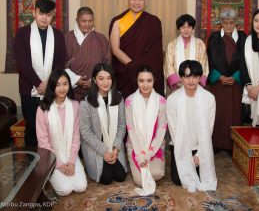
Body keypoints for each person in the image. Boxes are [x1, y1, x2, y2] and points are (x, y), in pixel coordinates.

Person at [14, 0, 66, 147]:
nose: (44, 18)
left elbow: (60, 62)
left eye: (48, 14)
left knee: (52, 128)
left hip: (51, 89)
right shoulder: (22, 33)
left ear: (53, 15)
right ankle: (32, 166)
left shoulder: (57, 35)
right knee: (31, 128)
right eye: (41, 13)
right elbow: (22, 63)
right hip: (29, 90)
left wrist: (49, 82)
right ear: (34, 12)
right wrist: (38, 83)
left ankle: (50, 162)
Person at [166, 60, 217, 192]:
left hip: (201, 146)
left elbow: (208, 130)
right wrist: (187, 157)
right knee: (179, 180)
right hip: (181, 146)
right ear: (181, 78)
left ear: (200, 77)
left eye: (194, 76)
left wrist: (199, 155)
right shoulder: (172, 100)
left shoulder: (209, 98)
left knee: (203, 177)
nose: (191, 80)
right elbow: (174, 132)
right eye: (187, 76)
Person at [36, 70, 87, 196]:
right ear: (52, 86)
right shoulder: (42, 109)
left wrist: (71, 161)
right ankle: (47, 174)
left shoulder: (75, 106)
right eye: (58, 85)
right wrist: (58, 164)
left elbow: (76, 137)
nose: (62, 88)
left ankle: (69, 169)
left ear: (69, 85)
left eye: (65, 84)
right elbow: (43, 142)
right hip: (51, 156)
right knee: (65, 190)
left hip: (70, 153)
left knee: (81, 187)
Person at [109, 0, 164, 98]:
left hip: (147, 72)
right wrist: (133, 65)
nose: (137, 2)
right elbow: (115, 49)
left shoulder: (153, 22)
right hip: (125, 70)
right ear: (128, 0)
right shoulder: (118, 21)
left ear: (145, 1)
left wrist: (142, 70)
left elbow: (155, 52)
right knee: (126, 105)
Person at [79, 63, 127, 185]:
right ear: (94, 80)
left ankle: (114, 155)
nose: (106, 82)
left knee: (120, 176)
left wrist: (116, 148)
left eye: (109, 78)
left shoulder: (119, 98)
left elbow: (122, 125)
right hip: (95, 147)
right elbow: (86, 132)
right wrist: (104, 152)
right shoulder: (86, 102)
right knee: (106, 178)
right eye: (101, 78)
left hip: (113, 145)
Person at [207, 8, 246, 151]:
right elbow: (209, 60)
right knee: (218, 113)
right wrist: (219, 76)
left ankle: (232, 144)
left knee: (235, 114)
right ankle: (217, 143)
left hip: (236, 83)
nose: (228, 25)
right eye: (225, 22)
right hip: (218, 82)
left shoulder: (243, 38)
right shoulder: (214, 38)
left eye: (231, 22)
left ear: (236, 23)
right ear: (221, 23)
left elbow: (247, 61)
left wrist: (236, 77)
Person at [125, 66, 167, 195]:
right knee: (139, 180)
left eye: (149, 80)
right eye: (141, 80)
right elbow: (130, 129)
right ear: (136, 81)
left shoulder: (161, 101)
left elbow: (161, 130)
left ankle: (150, 161)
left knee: (158, 174)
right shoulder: (129, 101)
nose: (145, 84)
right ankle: (132, 159)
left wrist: (148, 154)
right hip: (135, 145)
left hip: (155, 146)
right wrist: (140, 155)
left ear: (154, 80)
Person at [65, 7, 111, 101]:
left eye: (90, 21)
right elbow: (61, 63)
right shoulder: (67, 38)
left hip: (96, 90)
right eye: (83, 21)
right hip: (72, 90)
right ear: (77, 20)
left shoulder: (101, 39)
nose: (87, 24)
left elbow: (107, 64)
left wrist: (95, 81)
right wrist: (76, 80)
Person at [164, 14, 209, 92]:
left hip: (196, 85)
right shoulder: (172, 45)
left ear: (193, 28)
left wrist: (194, 82)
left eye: (189, 27)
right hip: (177, 86)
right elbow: (168, 66)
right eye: (183, 27)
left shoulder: (200, 44)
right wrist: (178, 83)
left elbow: (203, 64)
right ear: (178, 29)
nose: (186, 30)